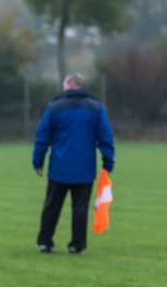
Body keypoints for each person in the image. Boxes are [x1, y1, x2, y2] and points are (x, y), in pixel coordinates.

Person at [32, 73, 115, 254]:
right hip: (84, 168)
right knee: (80, 208)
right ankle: (77, 244)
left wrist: (38, 161)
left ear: (68, 85)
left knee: (52, 206)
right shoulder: (96, 109)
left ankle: (45, 242)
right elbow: (106, 138)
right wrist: (108, 163)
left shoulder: (54, 108)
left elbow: (42, 137)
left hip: (58, 167)